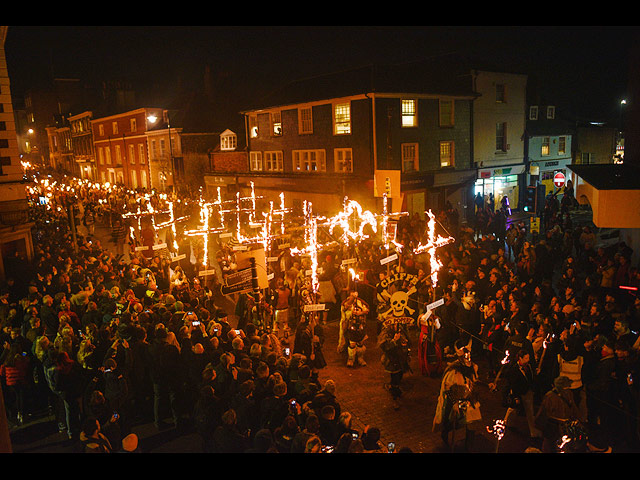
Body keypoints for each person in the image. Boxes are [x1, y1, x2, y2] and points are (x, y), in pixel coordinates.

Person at [433, 338, 481, 452]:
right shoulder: (453, 371)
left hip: (469, 398)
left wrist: (486, 385)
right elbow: (448, 388)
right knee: (450, 421)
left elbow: (474, 381)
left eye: (469, 355)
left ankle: (469, 446)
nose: (468, 359)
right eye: (465, 356)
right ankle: (445, 434)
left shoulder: (473, 367)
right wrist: (454, 404)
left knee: (472, 422)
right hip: (456, 399)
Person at [503, 349, 542, 440]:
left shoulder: (528, 366)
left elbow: (531, 378)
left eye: (528, 357)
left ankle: (533, 432)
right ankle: (507, 422)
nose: (528, 360)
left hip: (527, 392)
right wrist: (516, 396)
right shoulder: (514, 369)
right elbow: (513, 384)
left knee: (529, 412)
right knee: (513, 409)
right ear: (520, 358)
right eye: (526, 358)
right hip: (519, 392)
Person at [534, 375, 581, 453]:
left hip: (555, 427)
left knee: (550, 446)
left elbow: (543, 412)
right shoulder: (554, 396)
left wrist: (538, 425)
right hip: (558, 427)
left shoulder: (551, 396)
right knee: (557, 446)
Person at [378, 319, 411, 410]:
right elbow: (384, 346)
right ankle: (394, 398)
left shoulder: (401, 328)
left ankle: (396, 389)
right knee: (395, 378)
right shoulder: (386, 331)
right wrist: (394, 341)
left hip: (401, 358)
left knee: (400, 375)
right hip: (392, 360)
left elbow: (407, 340)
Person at [418, 307, 443, 377]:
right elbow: (423, 319)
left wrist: (436, 320)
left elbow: (438, 327)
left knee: (437, 353)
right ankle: (427, 370)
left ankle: (436, 370)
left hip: (433, 339)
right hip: (425, 339)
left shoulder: (435, 318)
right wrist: (429, 311)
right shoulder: (422, 317)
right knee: (425, 355)